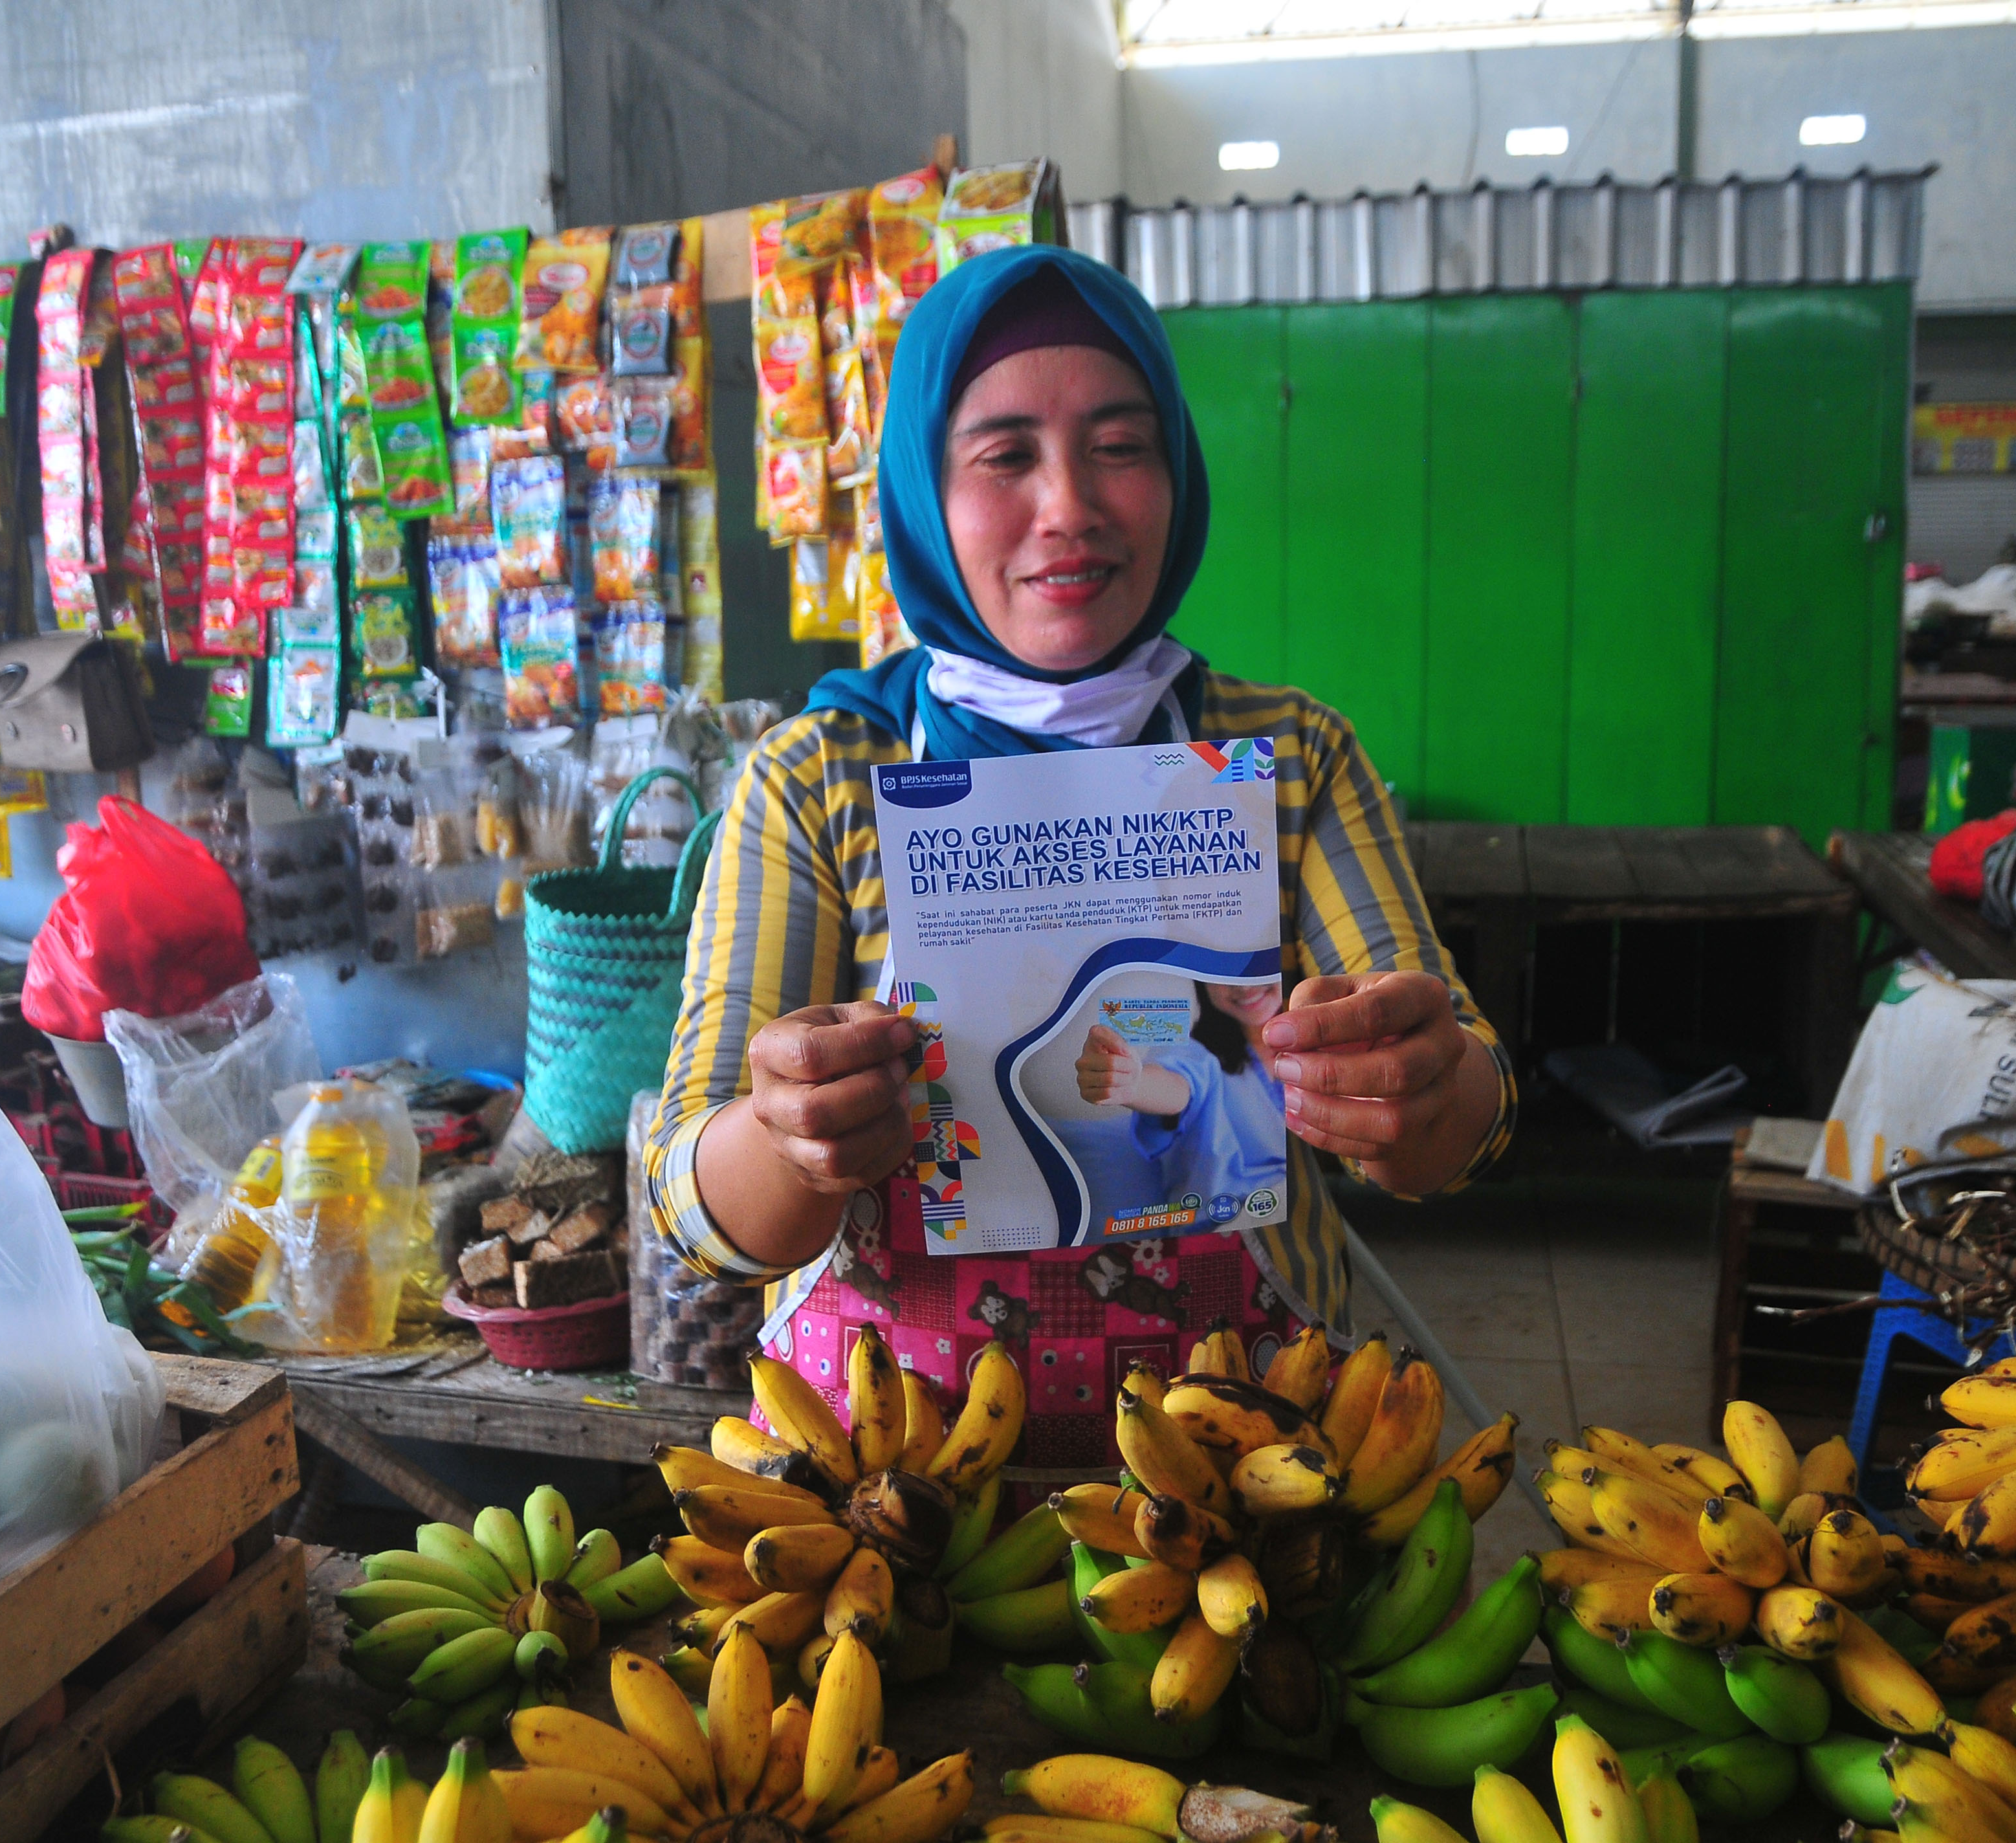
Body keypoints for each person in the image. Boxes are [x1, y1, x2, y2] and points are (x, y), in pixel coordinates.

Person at [642, 243, 1515, 1463]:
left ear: (1176, 473)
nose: (1071, 507)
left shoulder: (1290, 756)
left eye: (1120, 445)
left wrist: (1412, 1083)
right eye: (1005, 455)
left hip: (1243, 1468)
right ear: (921, 491)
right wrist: (792, 1135)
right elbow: (692, 1205)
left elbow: (1466, 1121)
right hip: (899, 1489)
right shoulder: (821, 774)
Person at [1073, 982, 1289, 1220]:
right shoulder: (1195, 1051)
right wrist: (1132, 1084)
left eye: (1252, 962)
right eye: (1221, 968)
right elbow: (1178, 1084)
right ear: (1203, 982)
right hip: (1228, 1222)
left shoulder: (1316, 1038)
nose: (1242, 985)